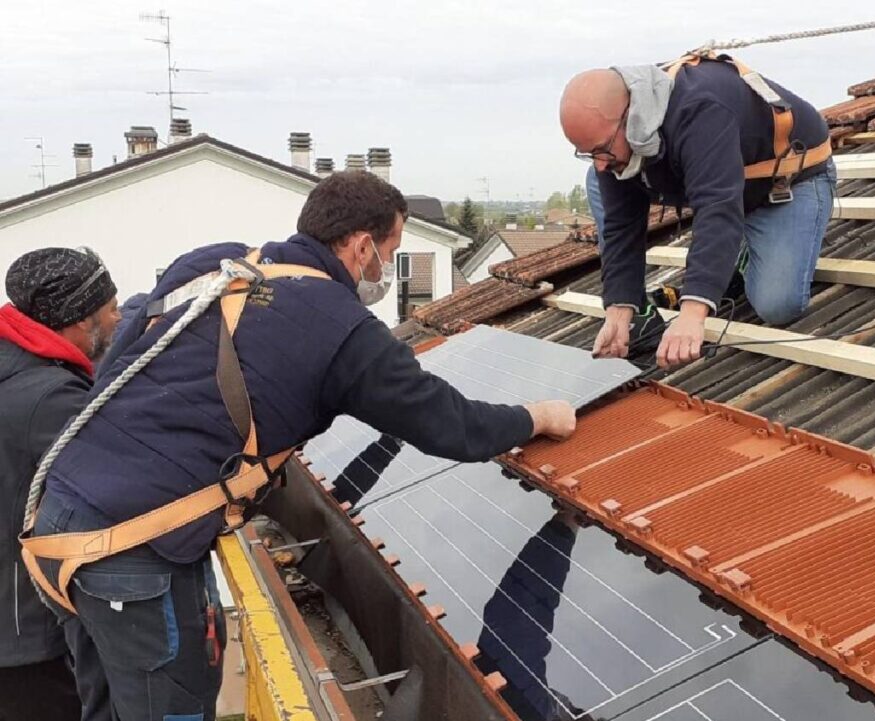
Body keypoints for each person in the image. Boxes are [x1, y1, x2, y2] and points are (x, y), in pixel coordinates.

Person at [26, 170, 577, 721]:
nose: (387, 268)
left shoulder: (216, 262)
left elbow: (120, 356)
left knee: (101, 707)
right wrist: (536, 416)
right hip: (132, 551)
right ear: (363, 246)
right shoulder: (341, 328)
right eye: (391, 250)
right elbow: (452, 426)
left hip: (56, 523)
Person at [560, 56, 836, 368]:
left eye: (600, 149)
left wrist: (692, 314)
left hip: (786, 184)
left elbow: (717, 208)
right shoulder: (617, 141)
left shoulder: (700, 110)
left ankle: (744, 257)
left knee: (778, 305)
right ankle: (640, 313)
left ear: (633, 119)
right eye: (588, 153)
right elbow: (621, 225)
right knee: (598, 181)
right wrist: (618, 308)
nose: (599, 162)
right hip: (723, 180)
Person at [0, 247, 119, 721]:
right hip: (23, 635)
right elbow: (114, 485)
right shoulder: (51, 399)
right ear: (77, 321)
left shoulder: (15, 371)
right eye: (110, 308)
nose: (118, 318)